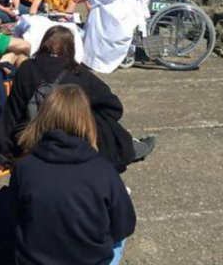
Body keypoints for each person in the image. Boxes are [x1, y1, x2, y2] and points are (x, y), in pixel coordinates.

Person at [10, 84, 136, 264]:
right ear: (87, 121)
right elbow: (124, 226)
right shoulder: (103, 170)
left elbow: (16, 216)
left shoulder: (25, 167)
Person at [0, 25, 137, 173]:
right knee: (102, 118)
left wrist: (3, 153)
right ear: (71, 47)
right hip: (73, 136)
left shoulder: (26, 69)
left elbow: (12, 112)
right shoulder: (79, 74)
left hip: (33, 136)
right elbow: (113, 107)